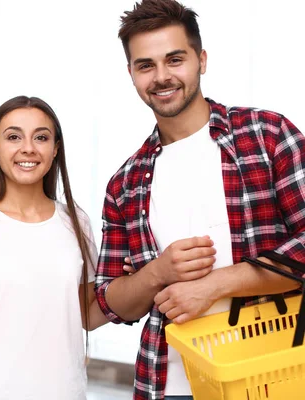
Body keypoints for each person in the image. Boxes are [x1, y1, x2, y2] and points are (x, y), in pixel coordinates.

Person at [94, 1, 305, 399]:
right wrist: (157, 272)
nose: (161, 77)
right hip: (168, 383)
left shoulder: (267, 136)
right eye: (146, 65)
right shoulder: (125, 184)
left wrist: (216, 284)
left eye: (175, 59)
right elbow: (110, 301)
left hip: (272, 377)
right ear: (131, 75)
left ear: (201, 60)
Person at [0, 95, 119, 400]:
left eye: (41, 137)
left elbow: (86, 313)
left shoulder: (76, 221)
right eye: (13, 137)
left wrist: (144, 280)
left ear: (55, 148)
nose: (28, 148)